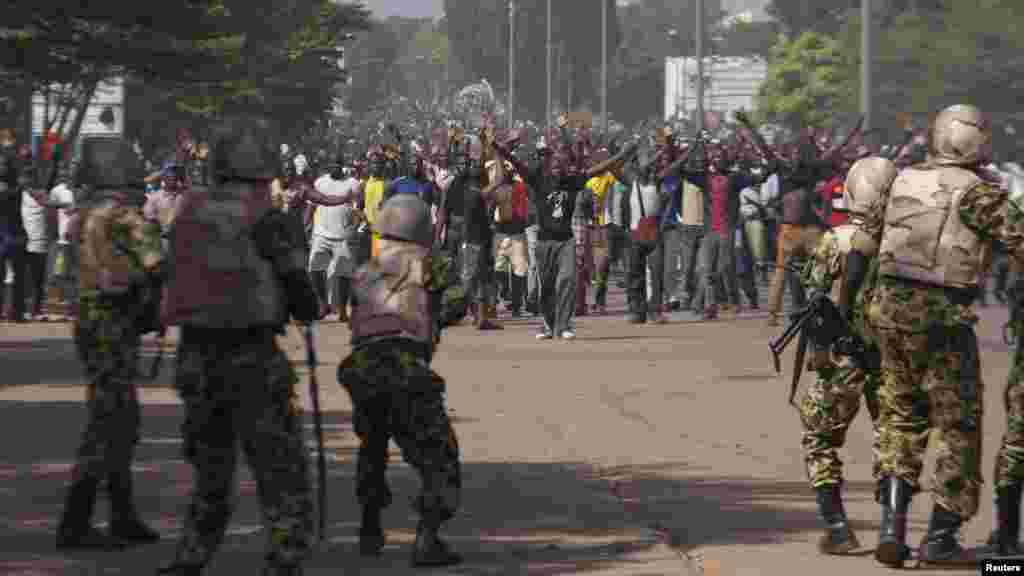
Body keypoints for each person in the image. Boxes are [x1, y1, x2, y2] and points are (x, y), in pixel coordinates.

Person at [158, 117, 318, 576]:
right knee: (279, 467)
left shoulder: (189, 210)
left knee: (211, 470)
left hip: (195, 356)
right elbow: (298, 288)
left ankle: (191, 557)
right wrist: (304, 307)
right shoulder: (265, 218)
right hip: (252, 356)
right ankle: (284, 559)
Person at [869, 104, 1024, 567]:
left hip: (889, 308)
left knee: (901, 417)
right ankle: (941, 535)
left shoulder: (903, 179)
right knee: (959, 424)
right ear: (973, 142)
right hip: (942, 316)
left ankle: (891, 528)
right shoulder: (977, 193)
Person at [338, 194, 463, 567]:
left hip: (361, 367)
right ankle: (427, 539)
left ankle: (369, 527)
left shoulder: (366, 269)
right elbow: (458, 301)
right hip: (405, 367)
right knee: (439, 457)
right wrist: (436, 317)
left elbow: (354, 316)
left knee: (372, 446)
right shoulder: (429, 264)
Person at [56, 137, 163, 549]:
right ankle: (77, 521)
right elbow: (157, 262)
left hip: (92, 323)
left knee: (119, 419)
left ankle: (122, 515)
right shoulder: (120, 214)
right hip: (114, 324)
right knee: (111, 421)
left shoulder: (84, 215)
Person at [798, 156, 897, 555]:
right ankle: (892, 528)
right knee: (894, 441)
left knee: (819, 437)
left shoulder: (834, 241)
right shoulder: (905, 244)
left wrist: (820, 349)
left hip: (843, 360)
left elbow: (814, 301)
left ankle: (838, 528)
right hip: (893, 360)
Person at [499, 120, 634, 339]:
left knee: (567, 279)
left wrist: (620, 157)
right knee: (548, 287)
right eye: (554, 165)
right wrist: (499, 149)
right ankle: (547, 325)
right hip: (544, 243)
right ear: (548, 167)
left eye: (561, 165)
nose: (558, 168)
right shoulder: (538, 180)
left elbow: (597, 169)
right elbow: (516, 163)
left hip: (566, 241)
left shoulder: (573, 182)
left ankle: (564, 325)